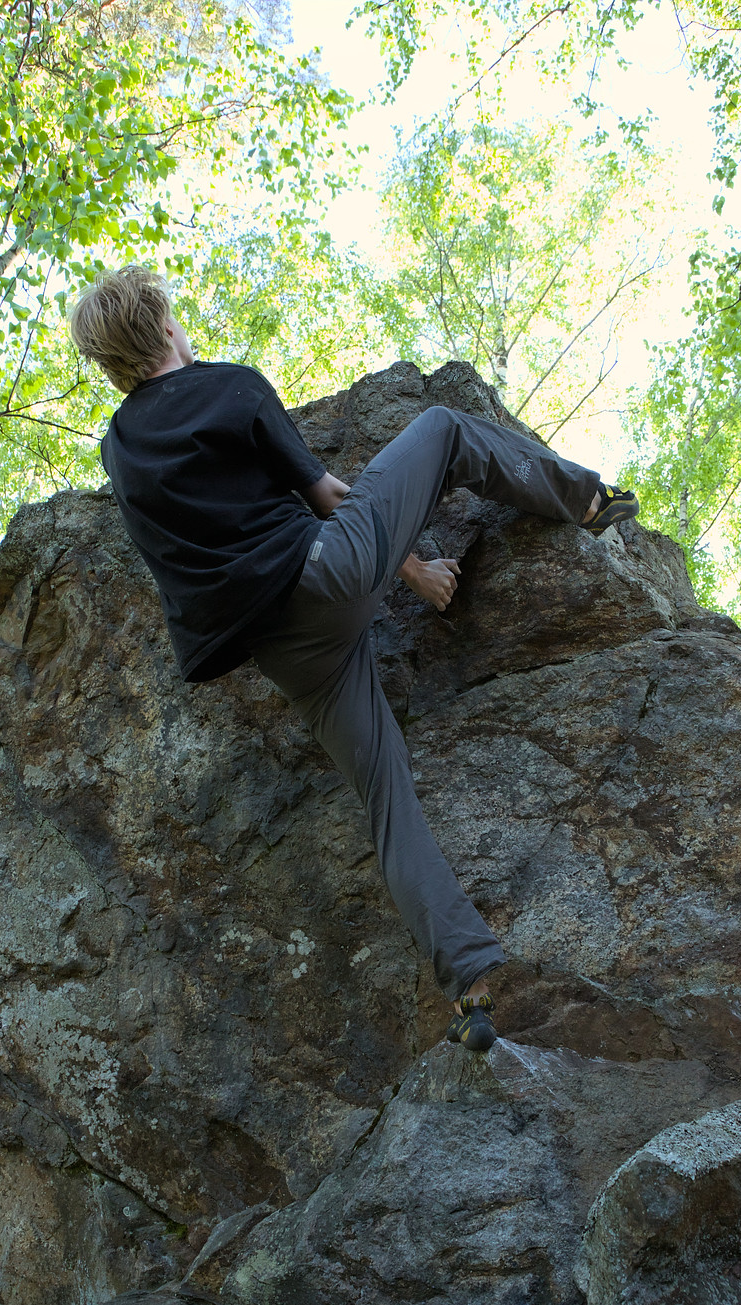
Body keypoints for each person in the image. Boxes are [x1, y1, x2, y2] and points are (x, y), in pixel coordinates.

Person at [69, 266, 639, 1053]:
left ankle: (468, 987)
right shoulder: (229, 386)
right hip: (326, 572)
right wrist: (415, 570)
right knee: (442, 428)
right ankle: (585, 498)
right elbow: (330, 497)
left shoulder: (118, 449)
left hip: (280, 647)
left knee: (382, 793)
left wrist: (404, 569)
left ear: (110, 363)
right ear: (165, 326)